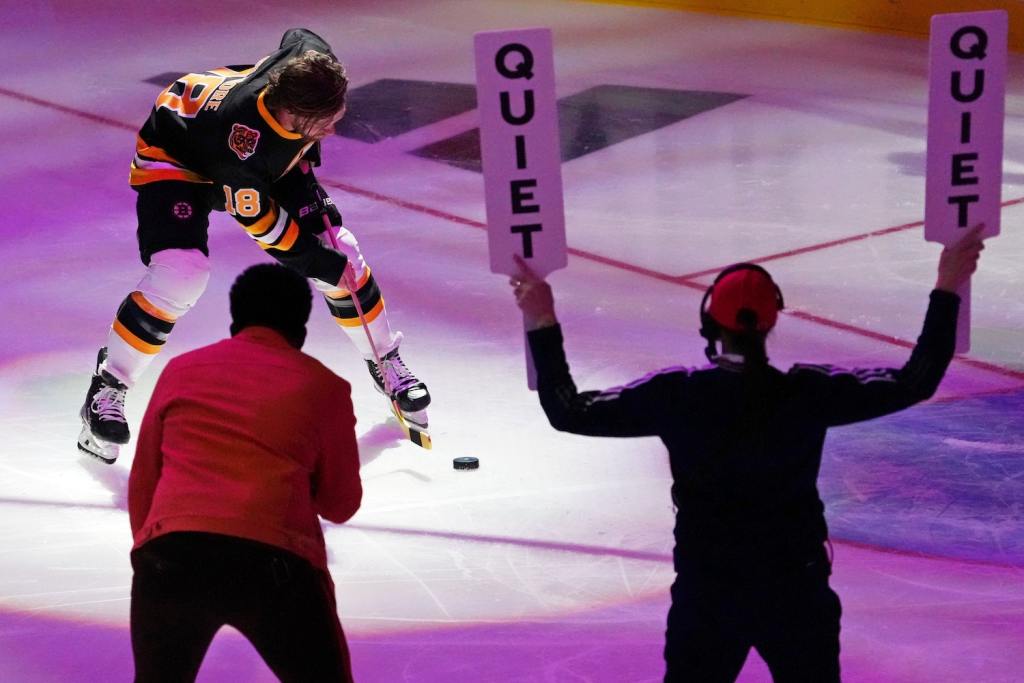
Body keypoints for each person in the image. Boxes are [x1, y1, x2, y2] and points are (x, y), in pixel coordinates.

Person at [510, 225, 985, 682]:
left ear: (708, 320)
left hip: (710, 593)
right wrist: (947, 285)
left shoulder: (678, 396)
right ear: (772, 319)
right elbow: (914, 380)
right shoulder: (806, 394)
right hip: (795, 591)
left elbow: (568, 410)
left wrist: (542, 318)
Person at [79, 28, 428, 463]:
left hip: (261, 147)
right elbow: (263, 224)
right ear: (294, 118)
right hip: (176, 153)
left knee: (344, 250)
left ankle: (384, 360)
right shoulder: (241, 150)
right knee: (182, 273)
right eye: (326, 124)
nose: (336, 129)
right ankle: (108, 383)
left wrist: (326, 245)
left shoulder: (310, 61)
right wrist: (318, 262)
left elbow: (299, 35)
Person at [128, 263, 361, 682]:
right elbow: (341, 504)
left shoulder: (181, 370)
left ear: (235, 320)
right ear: (302, 330)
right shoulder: (326, 387)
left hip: (171, 554)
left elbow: (144, 481)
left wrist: (158, 560)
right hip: (274, 562)